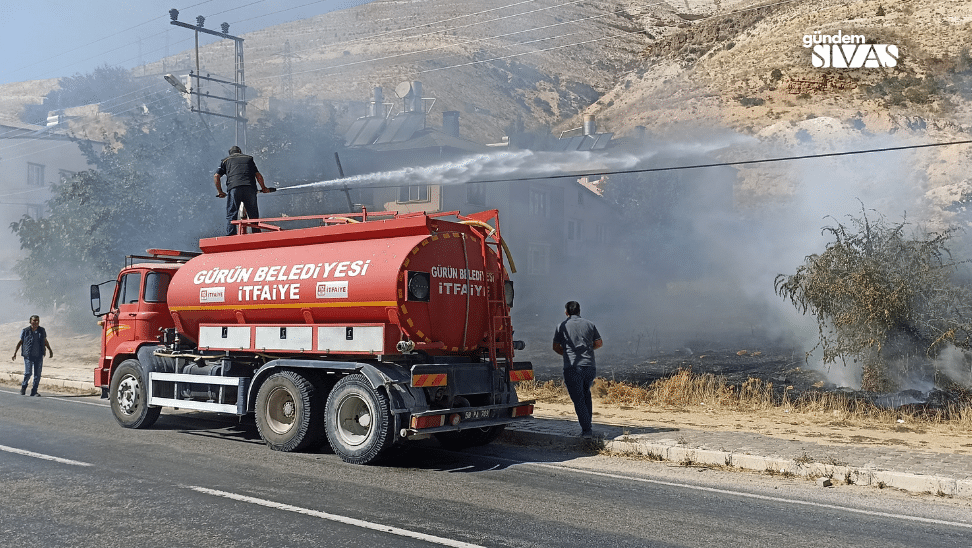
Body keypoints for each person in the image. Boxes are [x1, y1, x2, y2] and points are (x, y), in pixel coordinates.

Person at [552, 301, 602, 438]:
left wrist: (567, 354)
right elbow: (599, 343)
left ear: (566, 312)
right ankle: (588, 425)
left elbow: (555, 347)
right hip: (590, 367)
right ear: (579, 311)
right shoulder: (590, 324)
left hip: (572, 367)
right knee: (586, 394)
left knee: (578, 399)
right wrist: (588, 350)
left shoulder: (561, 326)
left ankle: (587, 430)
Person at [214, 145, 271, 236]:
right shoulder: (248, 159)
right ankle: (256, 233)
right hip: (249, 187)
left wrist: (220, 192)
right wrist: (264, 188)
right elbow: (258, 175)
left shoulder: (225, 161)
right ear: (239, 151)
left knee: (232, 212)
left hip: (234, 188)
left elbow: (216, 176)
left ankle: (231, 234)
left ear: (230, 153)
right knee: (253, 213)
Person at [11, 315, 53, 397]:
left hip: (39, 355)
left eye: (37, 321)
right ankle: (23, 387)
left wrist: (50, 350)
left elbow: (45, 340)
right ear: (30, 321)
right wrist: (15, 353)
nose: (36, 322)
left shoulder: (42, 330)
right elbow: (20, 342)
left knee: (37, 374)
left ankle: (34, 391)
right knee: (28, 373)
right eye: (34, 321)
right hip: (28, 355)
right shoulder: (25, 331)